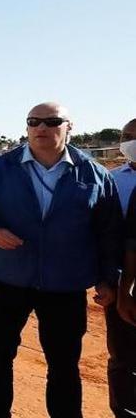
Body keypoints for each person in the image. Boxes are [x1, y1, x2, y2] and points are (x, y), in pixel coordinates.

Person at [0, 102, 123, 418]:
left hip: (65, 285)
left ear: (69, 127)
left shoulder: (96, 176)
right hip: (7, 279)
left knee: (64, 363)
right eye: (34, 121)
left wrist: (107, 278)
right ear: (28, 127)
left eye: (52, 121)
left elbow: (108, 232)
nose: (42, 128)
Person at [107, 118, 136, 416]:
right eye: (127, 136)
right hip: (122, 282)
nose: (131, 142)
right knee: (123, 357)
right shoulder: (111, 180)